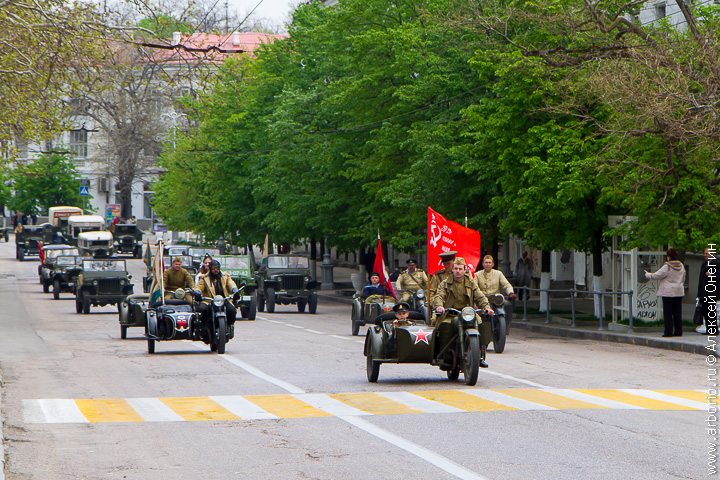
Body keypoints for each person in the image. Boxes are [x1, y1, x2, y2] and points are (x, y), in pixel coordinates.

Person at [432, 257, 494, 368]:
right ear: (452, 269)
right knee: (445, 325)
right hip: (450, 314)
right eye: (456, 268)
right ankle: (445, 357)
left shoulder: (471, 282)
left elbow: (480, 297)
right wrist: (439, 306)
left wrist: (487, 307)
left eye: (460, 269)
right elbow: (439, 296)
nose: (458, 271)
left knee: (480, 322)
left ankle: (480, 355)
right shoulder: (445, 283)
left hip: (468, 314)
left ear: (465, 269)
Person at [645, 248, 686, 337]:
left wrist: (648, 274)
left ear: (668, 256)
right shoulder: (681, 265)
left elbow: (656, 275)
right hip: (679, 291)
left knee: (668, 313)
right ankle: (678, 332)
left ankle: (668, 332)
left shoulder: (667, 266)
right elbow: (683, 278)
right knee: (677, 313)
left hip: (668, 292)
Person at [195, 259, 239, 327]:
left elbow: (231, 283)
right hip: (209, 301)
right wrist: (197, 292)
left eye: (217, 268)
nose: (216, 270)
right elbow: (199, 287)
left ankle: (229, 325)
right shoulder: (204, 278)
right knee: (202, 309)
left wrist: (234, 289)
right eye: (213, 268)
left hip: (224, 300)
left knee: (232, 310)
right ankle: (204, 327)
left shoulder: (225, 276)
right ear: (210, 268)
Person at [696, 248, 716, 335]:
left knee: (711, 311)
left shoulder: (716, 263)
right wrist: (699, 293)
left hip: (712, 292)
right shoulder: (704, 264)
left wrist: (712, 275)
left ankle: (713, 329)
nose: (705, 255)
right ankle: (709, 328)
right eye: (704, 253)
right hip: (704, 292)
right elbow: (701, 279)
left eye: (707, 253)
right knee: (705, 311)